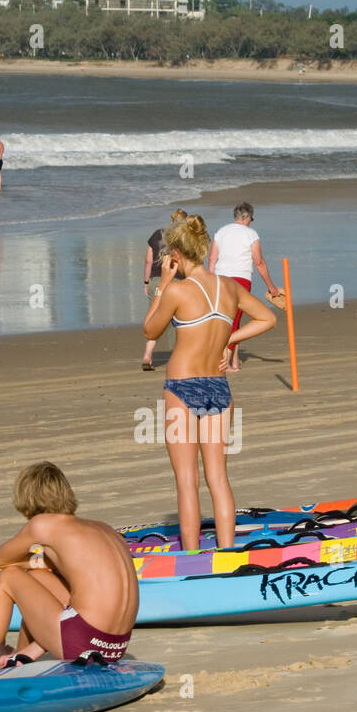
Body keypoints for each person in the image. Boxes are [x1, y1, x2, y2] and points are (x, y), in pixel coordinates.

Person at [144, 214, 277, 551]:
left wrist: (161, 288)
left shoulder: (177, 290)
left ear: (176, 252)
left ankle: (191, 555)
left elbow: (150, 330)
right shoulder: (229, 287)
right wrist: (230, 337)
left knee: (187, 482)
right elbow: (268, 318)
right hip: (218, 387)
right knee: (218, 479)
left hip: (181, 386)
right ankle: (228, 552)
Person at [0, 462, 138, 675]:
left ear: (27, 502)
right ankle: (21, 655)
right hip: (115, 646)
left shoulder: (43, 525)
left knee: (8, 578)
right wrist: (41, 565)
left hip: (83, 643)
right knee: (37, 577)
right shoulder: (103, 528)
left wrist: (33, 561)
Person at [208, 202, 283, 372]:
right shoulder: (251, 234)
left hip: (220, 279)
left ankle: (234, 361)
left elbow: (212, 259)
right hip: (240, 279)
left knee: (227, 318)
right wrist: (271, 286)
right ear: (247, 217)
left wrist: (210, 280)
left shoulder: (221, 231)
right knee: (234, 319)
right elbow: (259, 262)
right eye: (251, 218)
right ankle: (224, 362)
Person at [140, 209, 188, 371]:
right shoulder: (183, 238)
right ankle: (177, 357)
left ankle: (147, 355)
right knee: (176, 321)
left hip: (155, 281)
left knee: (155, 319)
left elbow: (148, 261)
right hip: (175, 280)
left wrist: (146, 282)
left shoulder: (157, 234)